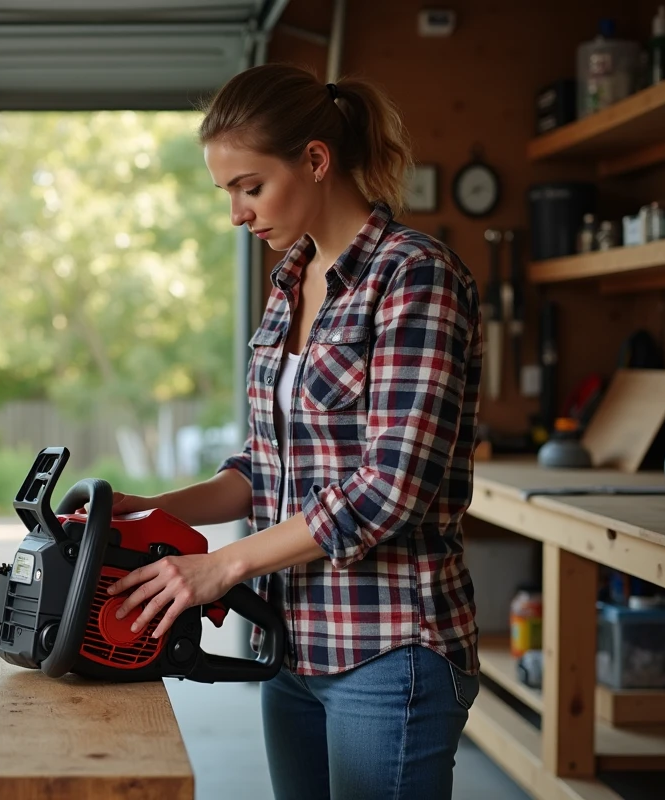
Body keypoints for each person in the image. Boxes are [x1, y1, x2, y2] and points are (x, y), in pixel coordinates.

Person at [101, 63, 483, 799]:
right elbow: (265, 467)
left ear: (315, 159)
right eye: (228, 194)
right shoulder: (289, 283)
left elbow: (390, 489)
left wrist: (222, 566)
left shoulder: (413, 277)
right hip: (294, 645)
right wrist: (158, 507)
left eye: (251, 186)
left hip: (389, 646)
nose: (238, 214)